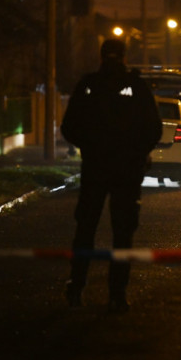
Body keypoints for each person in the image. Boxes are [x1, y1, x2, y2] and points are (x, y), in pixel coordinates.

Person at [61, 38, 162, 313]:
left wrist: (90, 146)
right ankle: (117, 294)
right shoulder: (136, 86)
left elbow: (69, 127)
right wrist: (137, 152)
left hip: (95, 168)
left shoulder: (89, 85)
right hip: (127, 171)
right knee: (123, 234)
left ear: (101, 56)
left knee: (85, 229)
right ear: (125, 57)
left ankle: (76, 288)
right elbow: (154, 128)